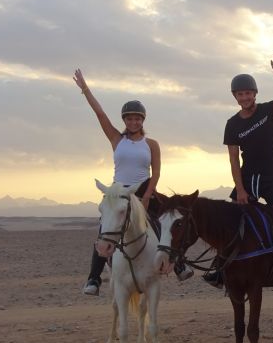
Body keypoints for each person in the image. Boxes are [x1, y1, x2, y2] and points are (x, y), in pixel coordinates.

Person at [74, 69, 193, 296]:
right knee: (105, 230)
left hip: (145, 190)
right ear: (124, 121)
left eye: (137, 118)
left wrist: (148, 195)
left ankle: (178, 265)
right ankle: (94, 278)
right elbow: (100, 114)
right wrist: (85, 89)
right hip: (118, 192)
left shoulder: (152, 144)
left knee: (163, 225)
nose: (133, 121)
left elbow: (156, 172)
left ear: (143, 120)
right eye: (129, 118)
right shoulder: (116, 139)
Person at [211, 52, 273, 288]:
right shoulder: (232, 124)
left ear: (255, 94)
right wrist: (241, 189)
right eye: (240, 94)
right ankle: (220, 269)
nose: (244, 97)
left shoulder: (268, 111)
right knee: (231, 220)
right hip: (248, 178)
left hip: (272, 176)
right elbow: (234, 160)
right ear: (235, 97)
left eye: (248, 93)